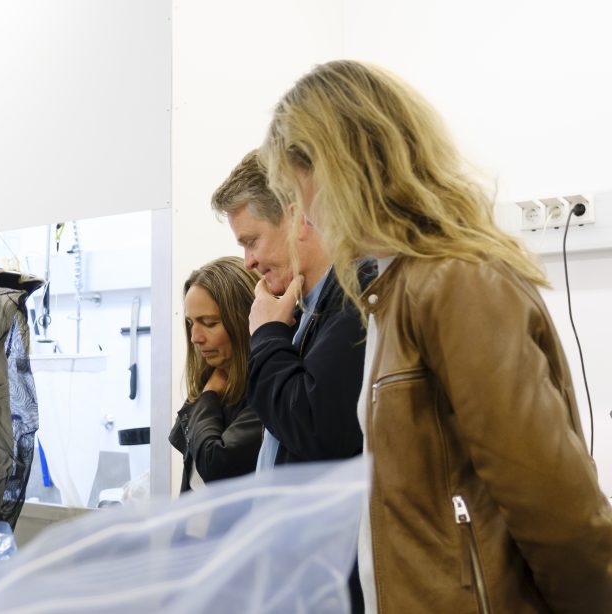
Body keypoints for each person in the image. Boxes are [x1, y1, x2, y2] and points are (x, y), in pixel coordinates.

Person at [263, 59, 612, 613]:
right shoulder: (393, 292)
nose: (304, 215)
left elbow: (555, 508)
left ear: (336, 169)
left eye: (297, 188)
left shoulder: (456, 284)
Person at [211, 149, 371, 612]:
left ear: (297, 218)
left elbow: (314, 425)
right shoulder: (310, 311)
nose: (248, 262)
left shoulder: (354, 303)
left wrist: (265, 336)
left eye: (252, 241)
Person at [168, 257, 263, 493]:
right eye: (191, 323)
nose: (195, 337)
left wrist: (208, 397)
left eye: (209, 323)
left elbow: (216, 464)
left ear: (244, 321)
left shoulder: (266, 393)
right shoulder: (212, 385)